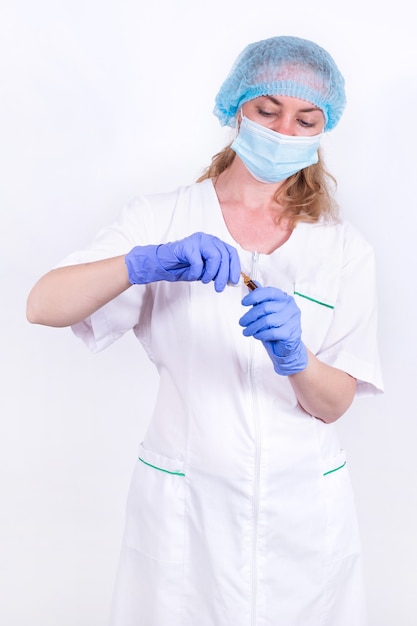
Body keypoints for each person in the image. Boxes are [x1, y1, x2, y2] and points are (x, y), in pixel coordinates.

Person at [26, 35, 383, 626]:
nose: (283, 130)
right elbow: (43, 304)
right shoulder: (161, 218)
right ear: (235, 108)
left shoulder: (344, 249)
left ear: (324, 129)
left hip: (302, 512)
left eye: (305, 118)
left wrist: (297, 358)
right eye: (267, 110)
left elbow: (335, 401)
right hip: (185, 505)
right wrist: (142, 263)